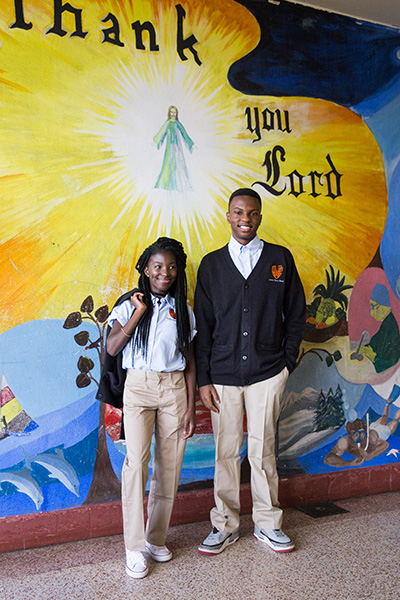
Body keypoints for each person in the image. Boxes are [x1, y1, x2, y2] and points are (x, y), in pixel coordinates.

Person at [194, 188, 305, 555]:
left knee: (263, 451)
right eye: (238, 212)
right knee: (226, 452)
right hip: (223, 375)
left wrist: (286, 364)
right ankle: (224, 525)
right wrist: (205, 379)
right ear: (228, 215)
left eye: (253, 213)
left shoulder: (280, 259)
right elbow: (204, 327)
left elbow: (296, 314)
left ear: (260, 216)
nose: (246, 218)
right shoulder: (211, 265)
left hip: (268, 372)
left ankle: (268, 524)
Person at [106, 237, 196, 579]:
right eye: (158, 266)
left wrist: (189, 406)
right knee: (136, 466)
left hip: (173, 388)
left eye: (171, 267)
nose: (165, 273)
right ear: (146, 268)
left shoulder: (182, 310)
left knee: (169, 466)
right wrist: (139, 313)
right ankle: (134, 547)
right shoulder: (130, 305)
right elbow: (113, 347)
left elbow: (189, 362)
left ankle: (155, 539)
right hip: (139, 387)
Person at [153, 105, 194, 192]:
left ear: (176, 113)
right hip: (169, 148)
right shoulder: (168, 123)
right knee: (168, 163)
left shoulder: (178, 123)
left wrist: (191, 144)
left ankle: (179, 184)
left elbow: (184, 134)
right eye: (171, 112)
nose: (173, 114)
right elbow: (161, 133)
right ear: (169, 113)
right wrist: (156, 142)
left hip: (177, 148)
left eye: (174, 112)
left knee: (179, 163)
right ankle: (167, 184)